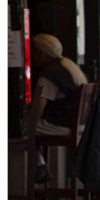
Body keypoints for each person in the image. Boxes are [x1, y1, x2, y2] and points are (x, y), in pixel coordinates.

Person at [31, 34, 88, 183]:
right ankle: (40, 165)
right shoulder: (70, 68)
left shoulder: (49, 74)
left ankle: (38, 168)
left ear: (42, 53)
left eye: (34, 51)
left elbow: (38, 111)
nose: (31, 54)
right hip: (75, 126)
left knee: (16, 130)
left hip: (60, 125)